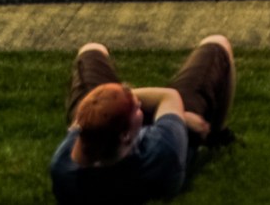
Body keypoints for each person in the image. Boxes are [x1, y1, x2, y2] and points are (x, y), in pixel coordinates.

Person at [51, 35, 236, 204]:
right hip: (173, 128)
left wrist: (109, 102)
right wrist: (181, 117)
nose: (139, 105)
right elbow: (168, 97)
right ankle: (215, 134)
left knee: (91, 49)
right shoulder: (163, 150)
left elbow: (83, 121)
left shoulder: (64, 169)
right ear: (125, 135)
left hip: (116, 133)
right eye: (136, 107)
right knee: (218, 44)